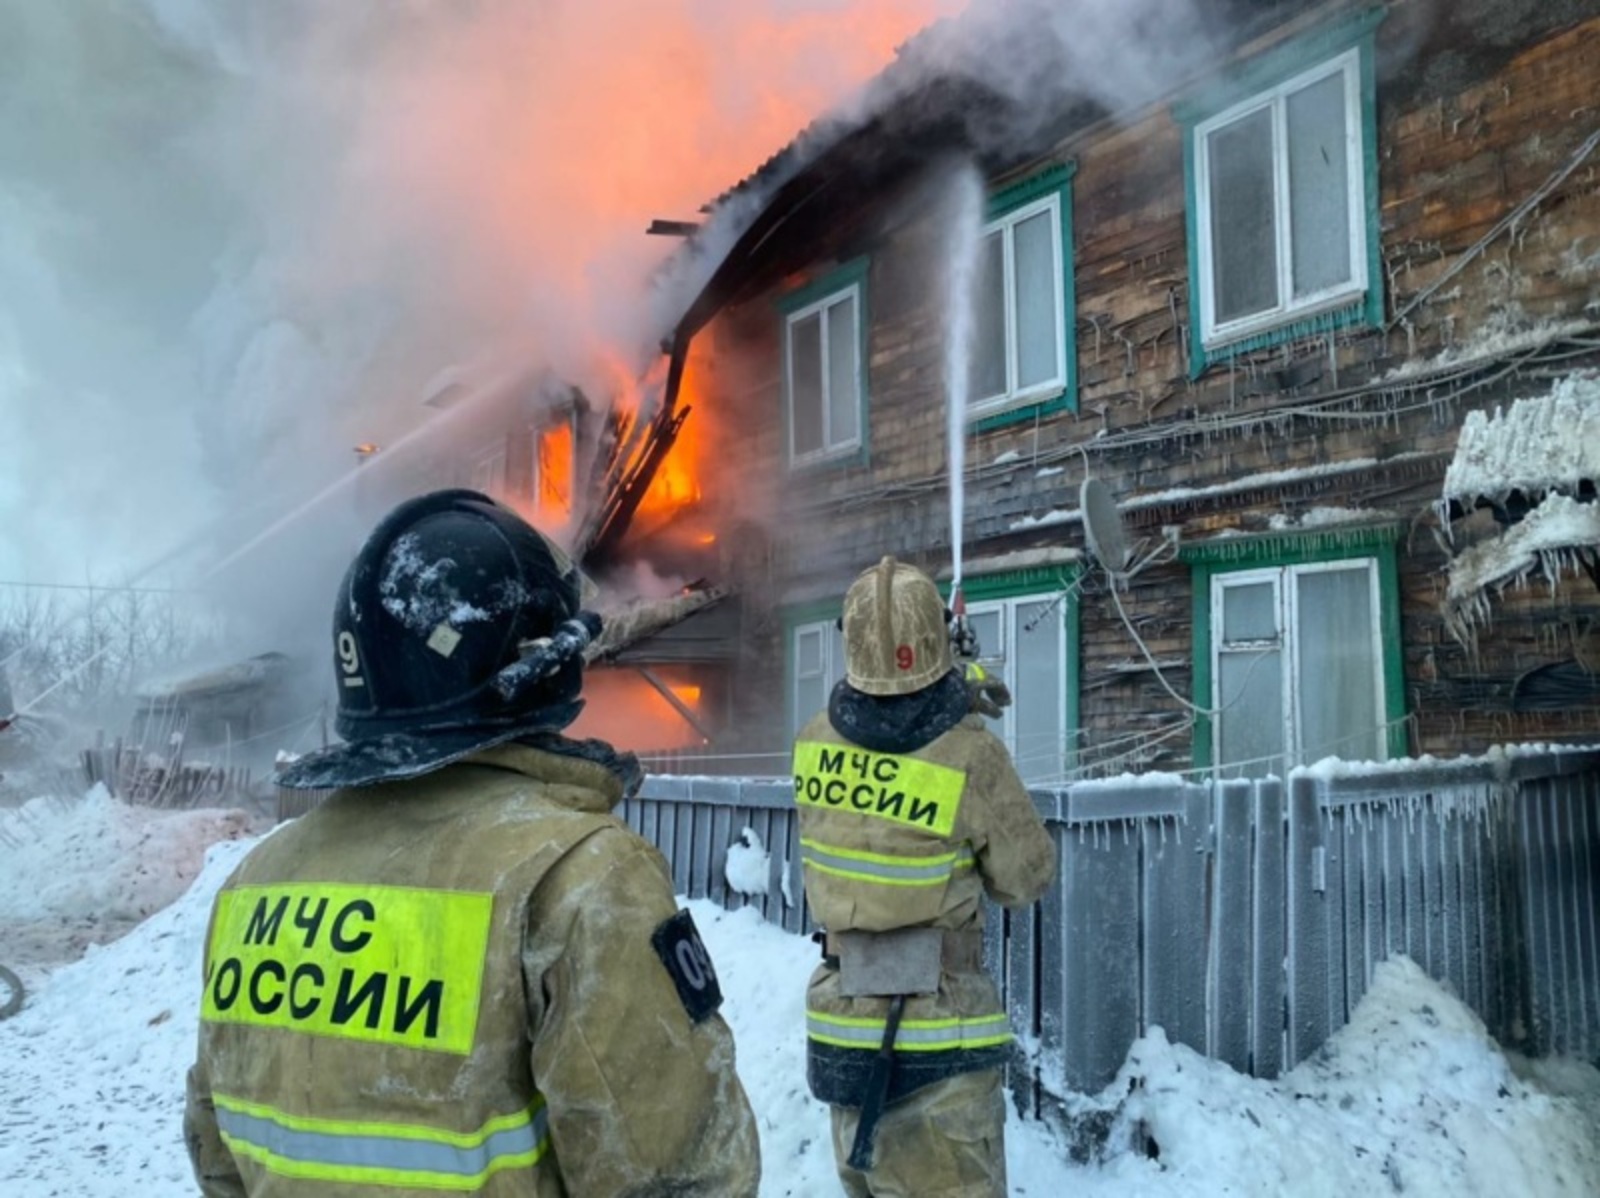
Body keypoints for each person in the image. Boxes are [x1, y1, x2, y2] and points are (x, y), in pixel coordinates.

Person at [184, 489, 760, 1197]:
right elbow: (679, 1175)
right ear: (535, 670)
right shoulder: (580, 880)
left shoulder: (258, 883)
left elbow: (218, 1158)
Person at [793, 556, 1055, 1198]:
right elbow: (1028, 877)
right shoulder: (971, 755)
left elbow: (885, 751)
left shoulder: (812, 743)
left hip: (843, 1035)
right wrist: (957, 708)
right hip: (940, 1042)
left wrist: (944, 696)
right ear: (936, 643)